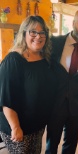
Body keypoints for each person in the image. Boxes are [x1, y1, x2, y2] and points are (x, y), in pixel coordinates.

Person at [0, 15, 57, 153]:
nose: (38, 36)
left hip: (37, 126)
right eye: (33, 32)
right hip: (18, 127)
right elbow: (6, 98)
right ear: (24, 33)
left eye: (42, 32)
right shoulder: (13, 60)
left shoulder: (44, 58)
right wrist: (15, 127)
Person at [46, 7, 78, 154]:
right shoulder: (54, 43)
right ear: (73, 22)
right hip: (55, 105)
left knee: (71, 146)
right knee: (51, 146)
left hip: (76, 107)